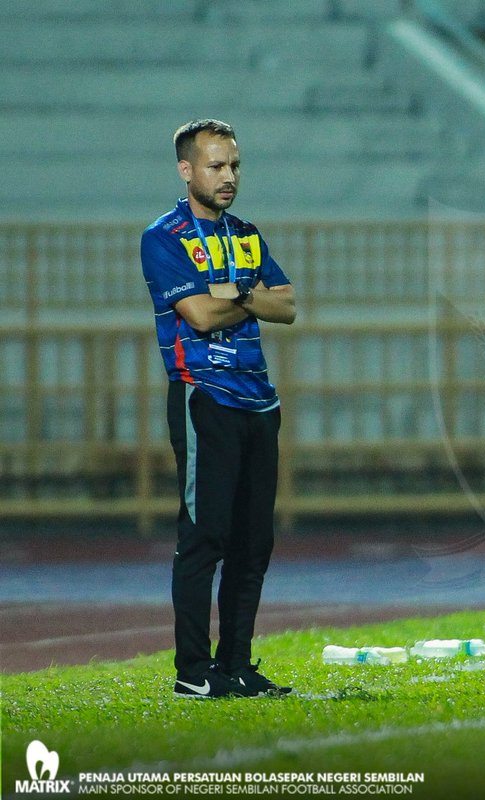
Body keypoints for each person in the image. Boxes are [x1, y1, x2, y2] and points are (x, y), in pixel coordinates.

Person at [141, 119, 297, 698]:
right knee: (205, 536)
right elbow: (200, 317)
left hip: (260, 400)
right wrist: (248, 300)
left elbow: (289, 306)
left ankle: (235, 664)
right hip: (204, 397)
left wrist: (235, 296)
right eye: (215, 166)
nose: (228, 176)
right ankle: (192, 671)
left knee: (254, 542)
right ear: (186, 170)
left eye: (234, 165)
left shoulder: (247, 234)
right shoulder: (163, 237)